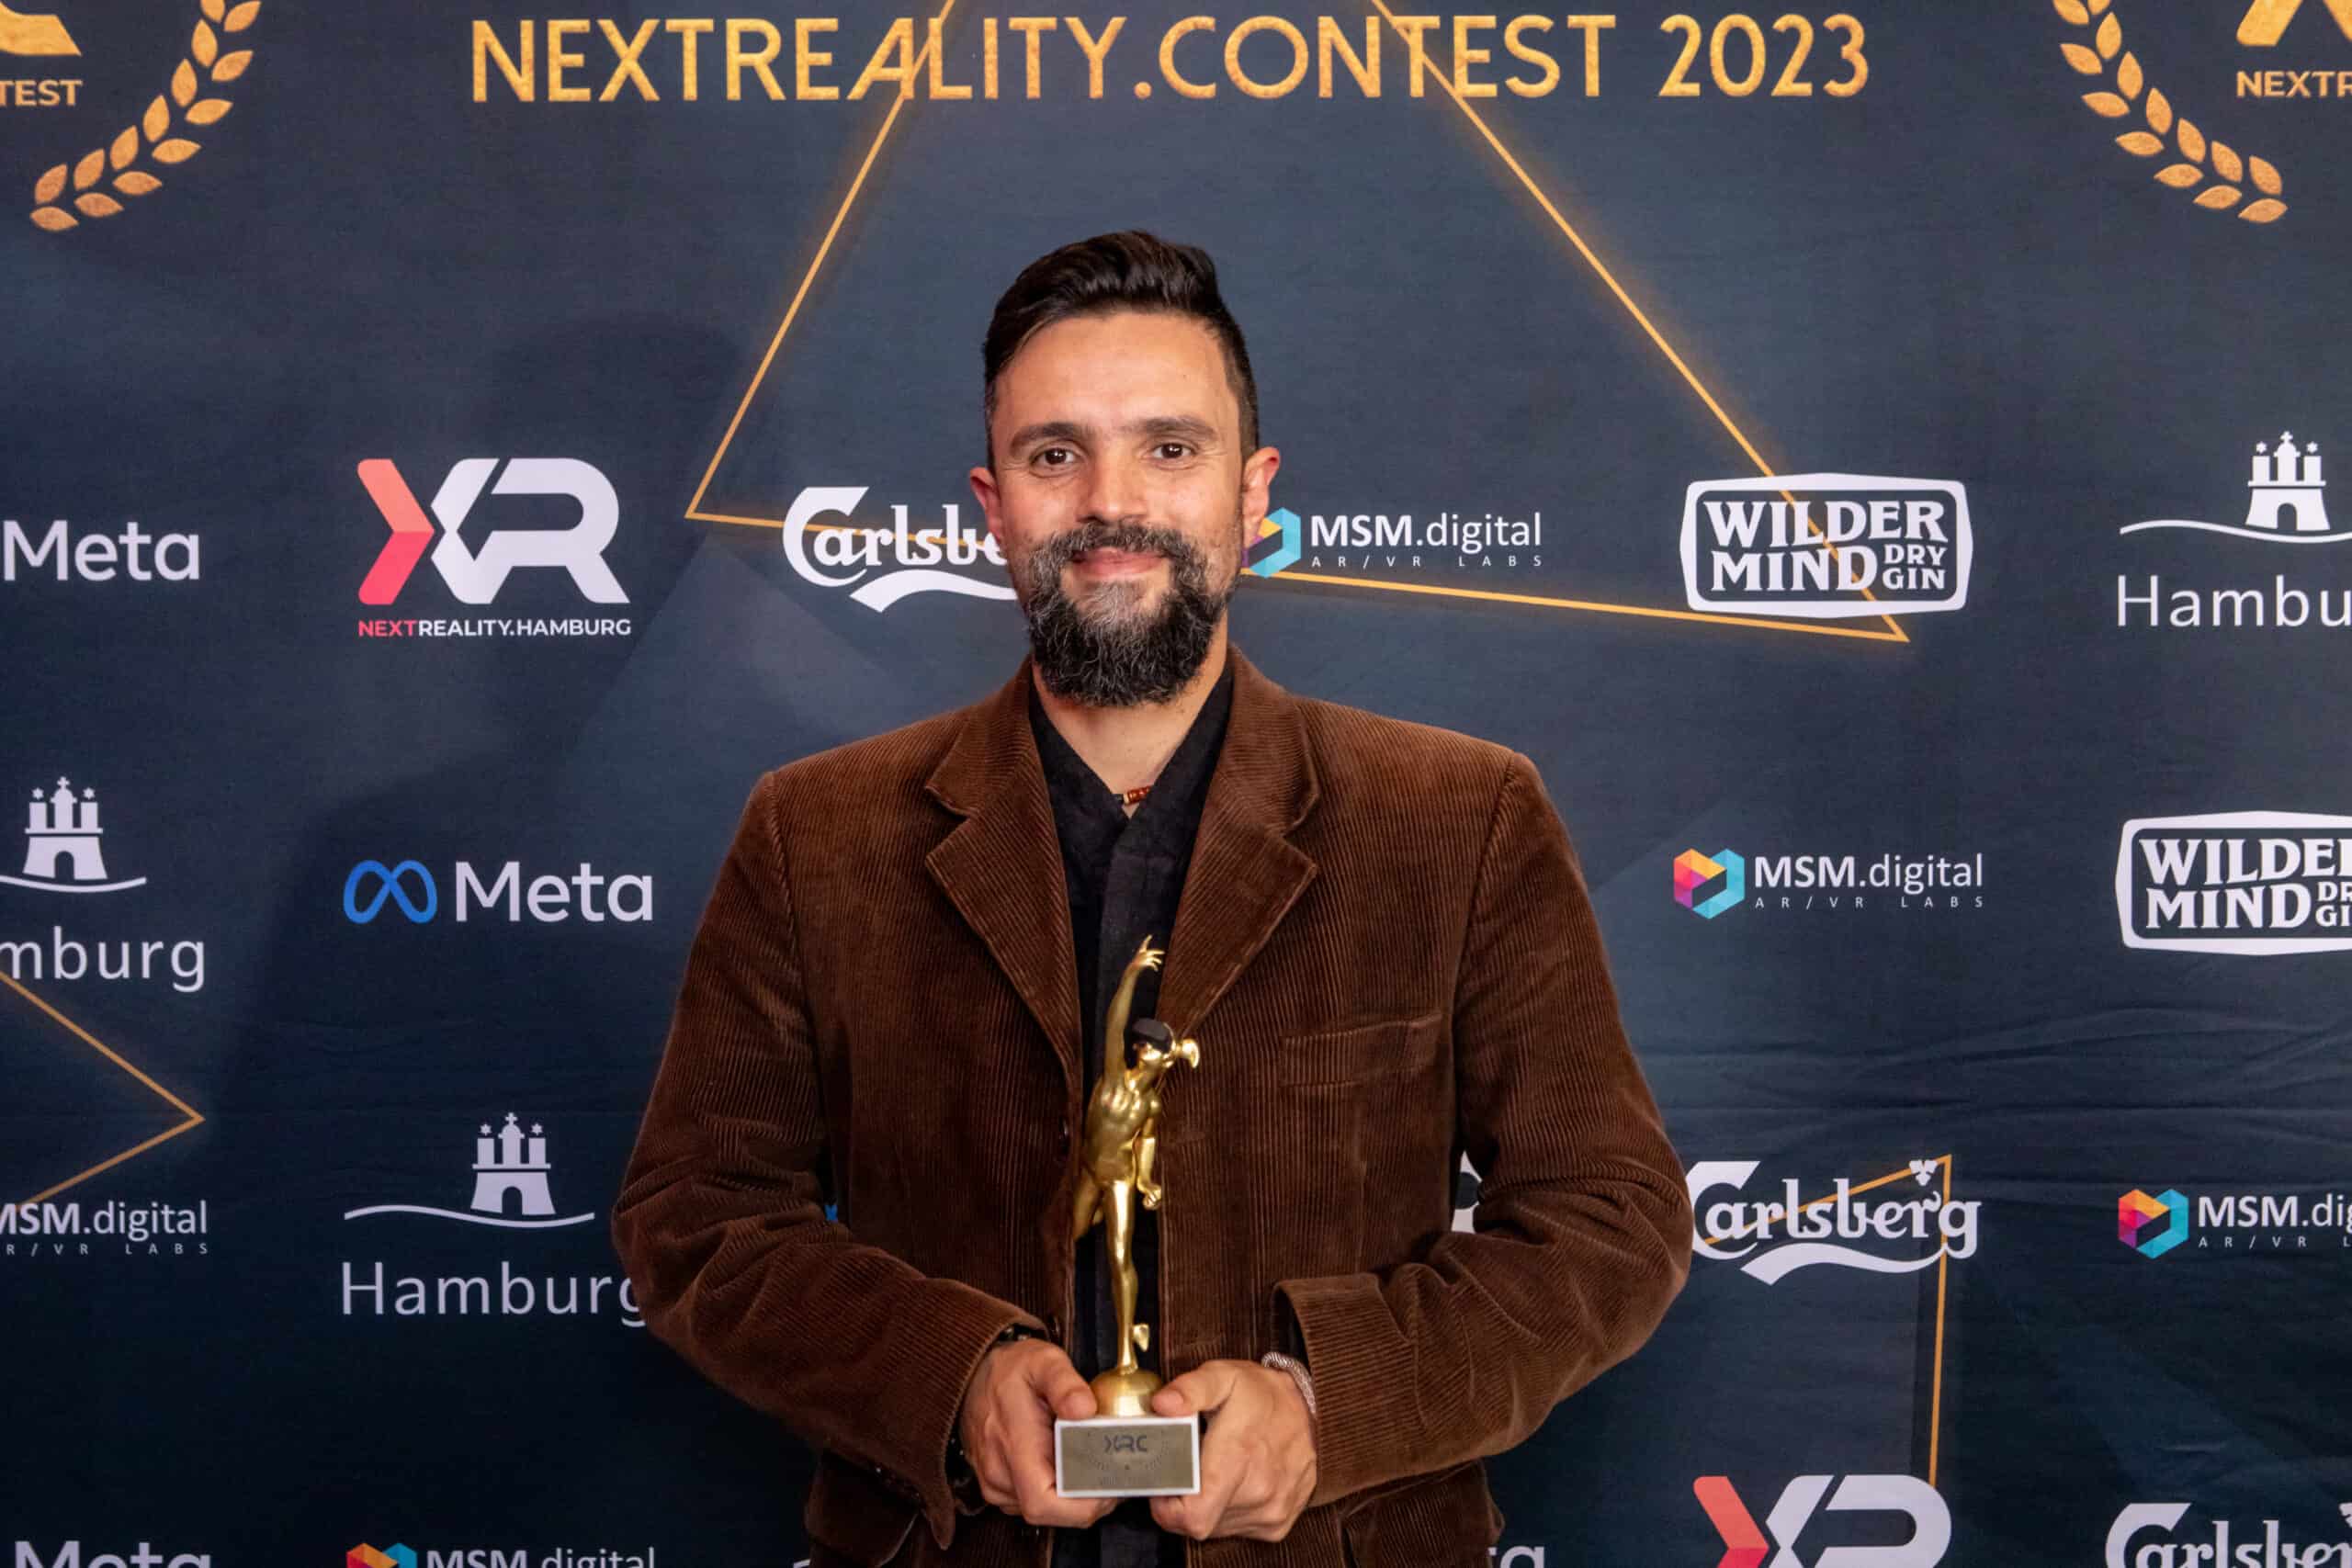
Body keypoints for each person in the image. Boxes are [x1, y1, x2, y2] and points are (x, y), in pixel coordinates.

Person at [612, 231, 1691, 1568]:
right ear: (992, 504)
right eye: (1054, 454)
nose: (1110, 503)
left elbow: (1609, 1223)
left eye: (1170, 449)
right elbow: (700, 1218)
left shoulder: (1458, 818)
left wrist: (1328, 1404)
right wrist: (946, 1379)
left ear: (1253, 492)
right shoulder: (815, 833)